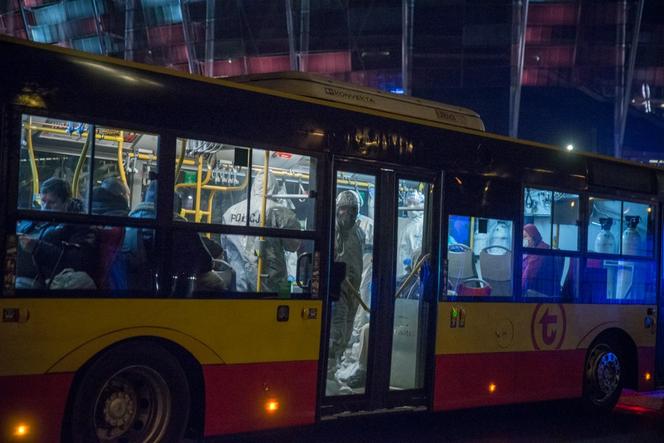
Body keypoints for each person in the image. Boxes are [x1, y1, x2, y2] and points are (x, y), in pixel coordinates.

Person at [122, 180, 217, 294]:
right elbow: (205, 263)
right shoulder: (182, 227)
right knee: (216, 283)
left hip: (130, 285)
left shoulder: (128, 224)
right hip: (174, 289)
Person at [221, 172, 300, 293]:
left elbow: (225, 245)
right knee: (280, 307)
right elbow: (293, 246)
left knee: (241, 310)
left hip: (238, 280)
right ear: (275, 188)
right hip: (273, 279)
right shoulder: (282, 212)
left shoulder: (231, 212)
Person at [16, 177, 97, 289]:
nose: (45, 207)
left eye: (52, 202)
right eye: (43, 201)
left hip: (42, 277)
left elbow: (77, 260)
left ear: (67, 202)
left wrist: (37, 247)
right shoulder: (33, 220)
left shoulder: (79, 224)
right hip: (17, 269)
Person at [327, 190, 365, 394]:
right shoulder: (333, 231)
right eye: (344, 209)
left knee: (347, 331)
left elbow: (360, 262)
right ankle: (328, 372)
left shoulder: (359, 233)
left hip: (353, 290)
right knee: (337, 330)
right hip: (337, 289)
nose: (348, 214)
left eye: (353, 210)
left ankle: (336, 366)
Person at [522, 223, 553, 295]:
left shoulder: (539, 252)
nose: (523, 240)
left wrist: (516, 289)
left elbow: (528, 276)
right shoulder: (533, 249)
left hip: (537, 291)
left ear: (533, 238)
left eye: (525, 237)